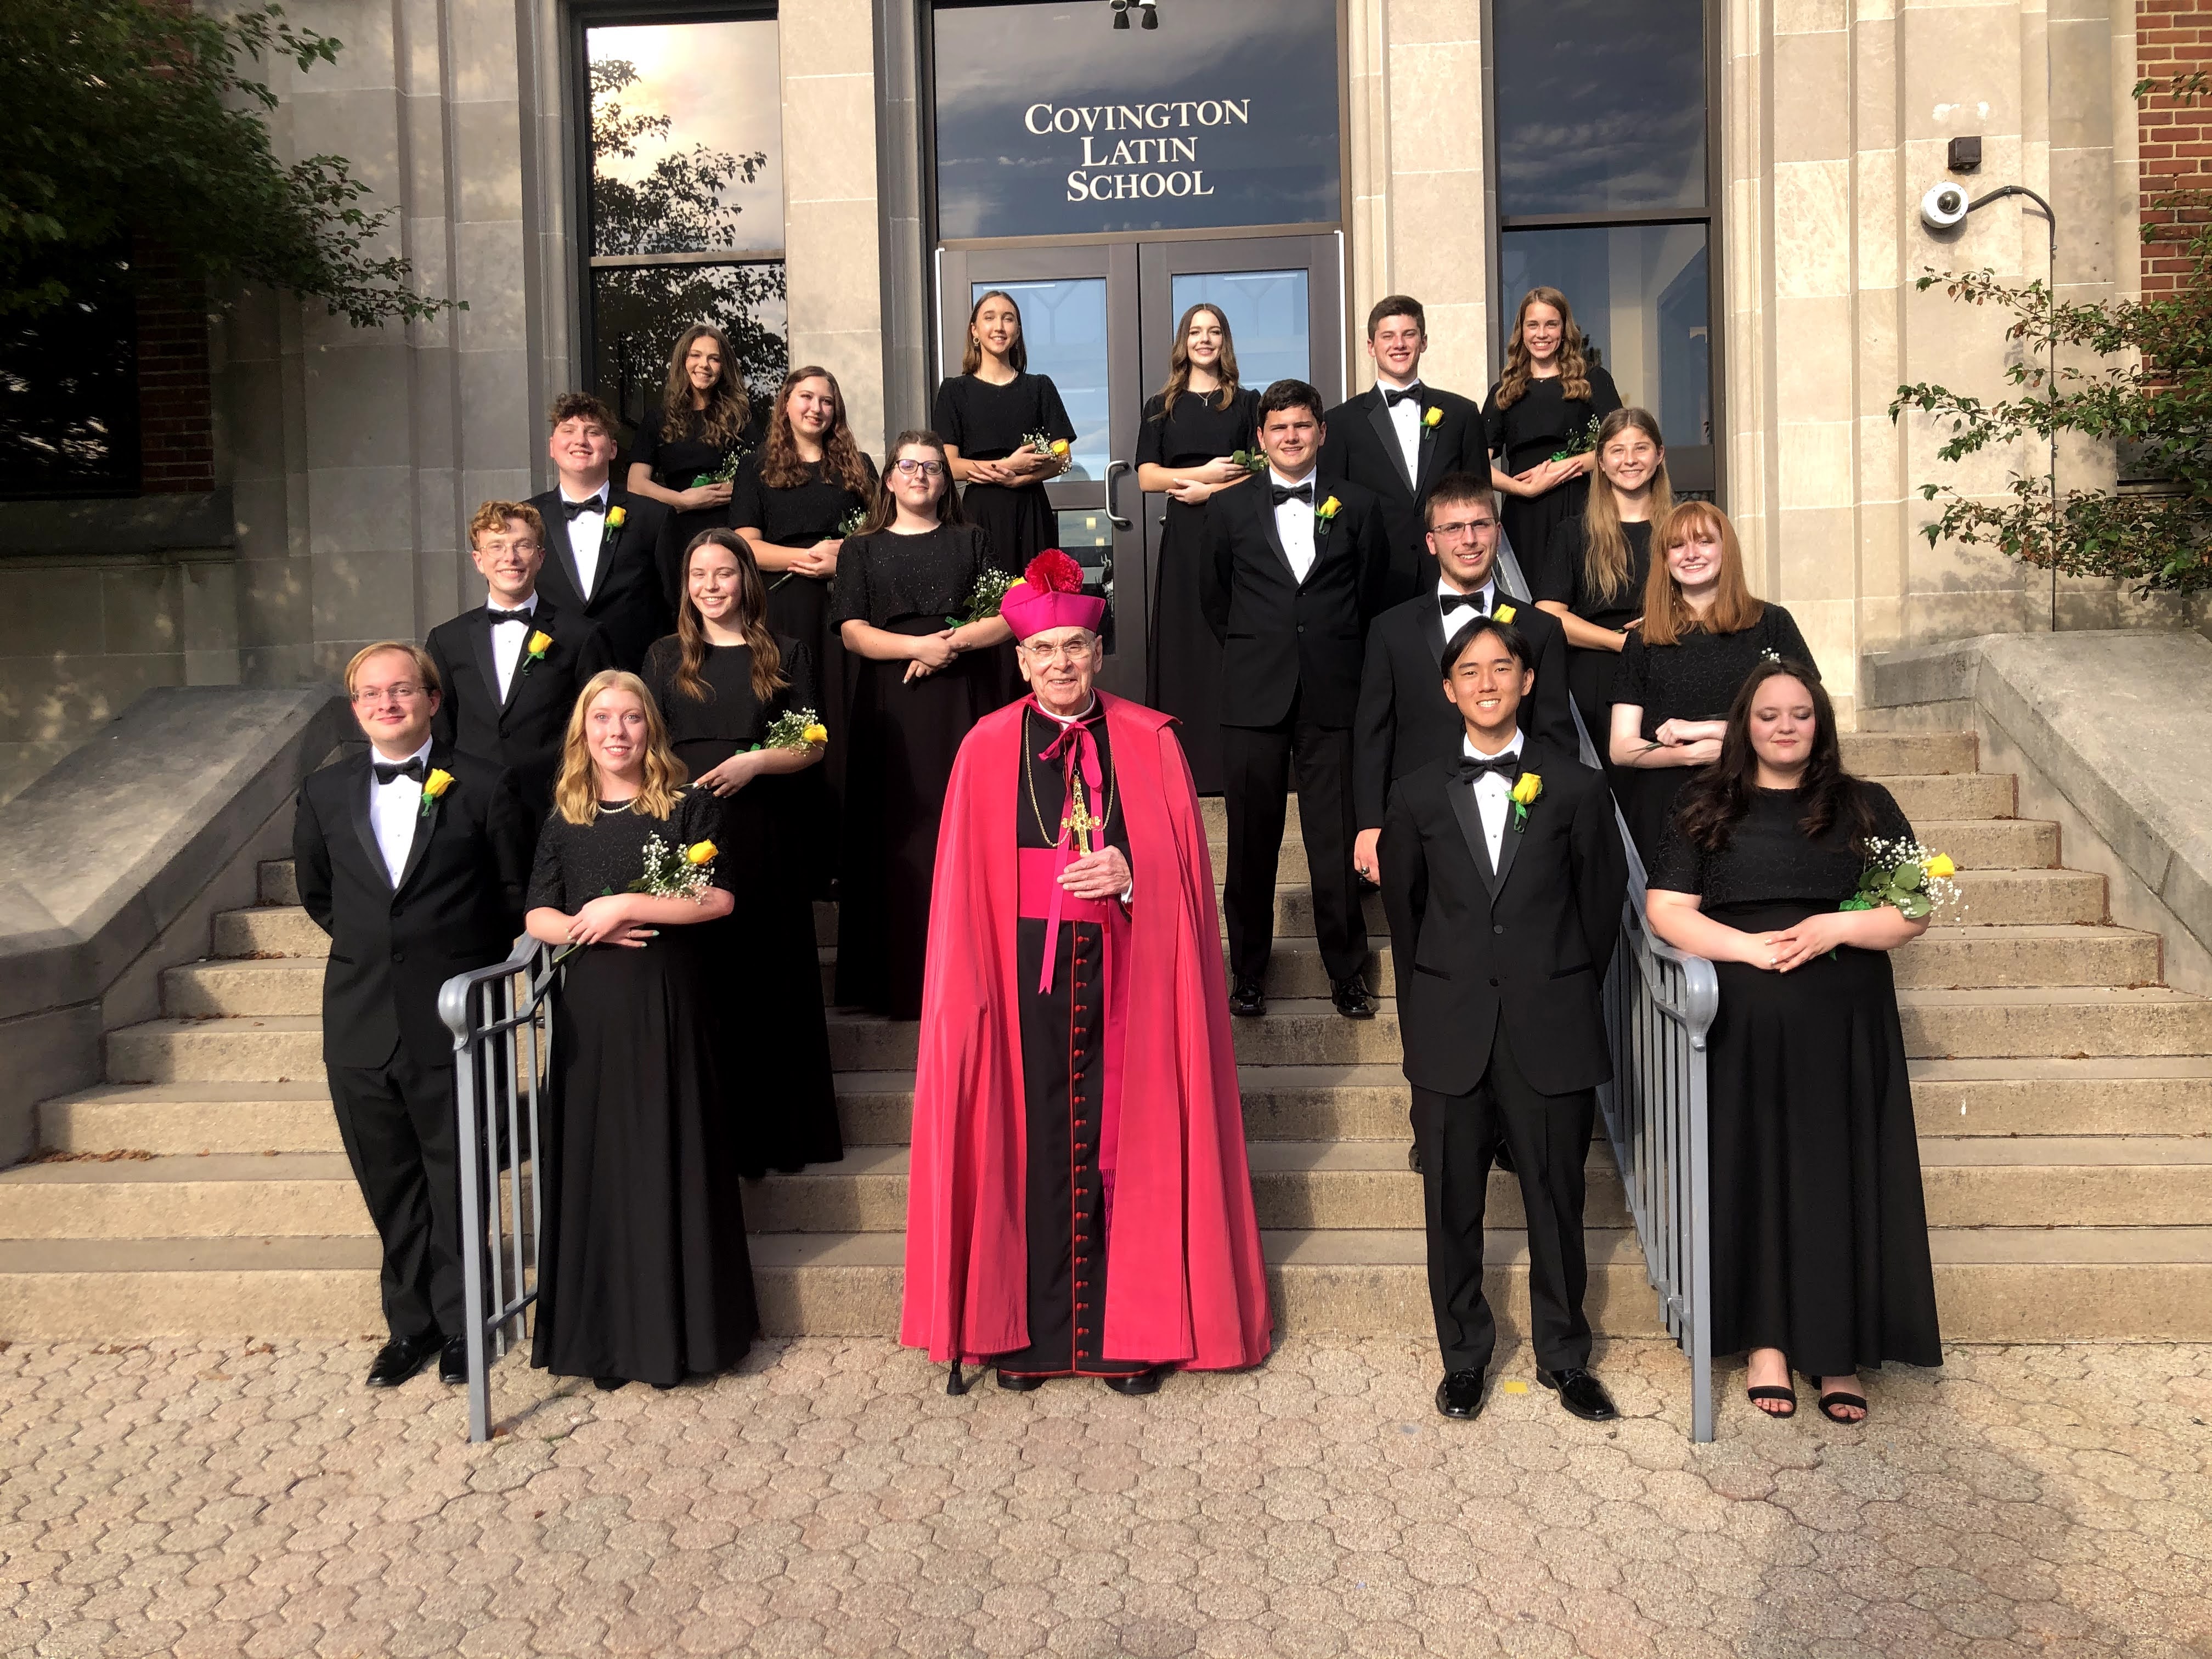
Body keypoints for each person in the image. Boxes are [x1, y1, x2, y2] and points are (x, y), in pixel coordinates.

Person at [901, 556, 1272, 1394]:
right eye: (1046, 652)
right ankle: (1028, 1340)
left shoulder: (1150, 740)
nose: (1062, 664)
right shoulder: (986, 746)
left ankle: (1129, 1336)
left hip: (1127, 977)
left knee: (1128, 1148)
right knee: (1028, 1151)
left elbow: (1185, 881)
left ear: (1099, 653)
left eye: (1077, 647)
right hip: (1019, 984)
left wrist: (1130, 874)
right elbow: (965, 894)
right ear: (1022, 662)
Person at [1645, 662, 1943, 1424]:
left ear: (1820, 724)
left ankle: (1835, 1353)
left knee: (1835, 1177)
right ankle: (1766, 1345)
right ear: (1746, 722)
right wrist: (1750, 951)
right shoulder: (1706, 801)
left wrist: (1837, 925)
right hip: (1745, 1022)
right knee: (1759, 1174)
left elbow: (1914, 913)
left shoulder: (1867, 804)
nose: (1785, 727)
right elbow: (1668, 910)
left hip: (1845, 1027)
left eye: (1800, 715)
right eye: (1770, 715)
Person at [1379, 617, 1627, 1425]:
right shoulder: (1415, 794)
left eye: (1502, 668)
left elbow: (1600, 910)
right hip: (1451, 1030)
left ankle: (1563, 1355)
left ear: (1526, 680)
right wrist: (1428, 1017)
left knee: (1557, 1200)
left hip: (1547, 1026)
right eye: (1470, 672)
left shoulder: (1580, 789)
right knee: (1451, 1205)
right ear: (1448, 691)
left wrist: (1551, 981)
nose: (1487, 682)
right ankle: (1464, 1355)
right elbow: (1408, 919)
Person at [292, 642, 532, 1390]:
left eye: (402, 690)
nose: (386, 703)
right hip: (361, 1022)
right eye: (371, 693)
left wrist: (454, 964)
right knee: (388, 1182)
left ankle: (467, 1325)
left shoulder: (485, 786)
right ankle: (411, 1326)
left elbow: (512, 894)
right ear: (356, 706)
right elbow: (321, 895)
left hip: (454, 1019)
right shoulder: (325, 793)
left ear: (432, 699)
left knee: (458, 1178)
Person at [524, 670, 758, 1390]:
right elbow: (537, 914)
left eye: (630, 718)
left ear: (649, 728)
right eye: (602, 720)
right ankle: (607, 1342)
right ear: (582, 732)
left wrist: (625, 903)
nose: (616, 732)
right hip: (590, 1013)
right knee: (599, 1163)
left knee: (669, 1154)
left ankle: (681, 1339)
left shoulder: (685, 805)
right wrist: (579, 927)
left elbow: (716, 900)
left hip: (667, 1002)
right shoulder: (565, 813)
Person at [644, 531, 842, 1176]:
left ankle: (777, 1137)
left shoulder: (786, 653)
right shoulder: (664, 656)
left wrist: (755, 761)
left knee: (768, 977)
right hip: (687, 828)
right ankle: (711, 1141)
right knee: (705, 982)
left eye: (723, 573)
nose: (710, 585)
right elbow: (644, 746)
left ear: (746, 580)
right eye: (698, 573)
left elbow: (813, 743)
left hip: (764, 831)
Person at [1202, 378, 1389, 1020]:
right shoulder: (1226, 511)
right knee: (1252, 842)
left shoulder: (1359, 507)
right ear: (1261, 438)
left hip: (1334, 693)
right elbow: (1215, 601)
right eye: (1279, 427)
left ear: (1321, 432)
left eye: (1302, 426)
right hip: (1253, 695)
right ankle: (1249, 972)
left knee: (1335, 843)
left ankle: (1347, 973)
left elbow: (1370, 597)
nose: (1291, 436)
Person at [832, 430, 1016, 1018]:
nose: (919, 476)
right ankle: (898, 981)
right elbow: (853, 632)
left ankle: (969, 976)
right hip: (891, 703)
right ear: (888, 479)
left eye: (933, 468)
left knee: (959, 826)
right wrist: (912, 646)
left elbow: (1009, 615)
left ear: (946, 481)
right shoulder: (861, 548)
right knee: (898, 833)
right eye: (908, 466)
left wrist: (947, 645)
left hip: (961, 698)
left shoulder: (972, 540)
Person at [1352, 475, 1576, 891]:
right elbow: (1373, 735)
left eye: (1480, 525)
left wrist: (1557, 820)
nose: (1468, 539)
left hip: (1517, 825)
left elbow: (1555, 735)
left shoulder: (1541, 630)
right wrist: (1369, 824)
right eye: (1453, 528)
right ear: (1432, 541)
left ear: (1498, 532)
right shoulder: (1391, 629)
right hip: (1417, 824)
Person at [731, 366, 877, 891]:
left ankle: (845, 853)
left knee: (842, 715)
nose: (817, 408)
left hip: (845, 606)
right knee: (795, 718)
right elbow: (745, 545)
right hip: (785, 607)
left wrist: (845, 559)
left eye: (828, 401)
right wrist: (806, 557)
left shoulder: (857, 466)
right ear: (786, 405)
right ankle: (801, 854)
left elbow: (881, 534)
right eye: (807, 398)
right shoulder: (758, 468)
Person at [1609, 501, 1815, 859]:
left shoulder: (1772, 624)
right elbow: (1621, 747)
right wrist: (1689, 755)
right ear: (1665, 558)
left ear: (1726, 549)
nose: (1690, 554)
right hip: (1668, 807)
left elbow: (1808, 724)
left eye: (1704, 541)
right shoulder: (1644, 640)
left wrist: (1709, 732)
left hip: (1757, 796)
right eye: (1677, 545)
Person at [1134, 303, 1261, 794]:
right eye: (1195, 332)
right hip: (1184, 533)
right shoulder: (1160, 406)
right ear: (1183, 342)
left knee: (1227, 635)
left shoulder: (1246, 402)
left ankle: (1233, 757)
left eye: (1213, 332)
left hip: (1235, 528)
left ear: (1224, 341)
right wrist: (1198, 475)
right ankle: (1182, 764)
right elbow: (1147, 476)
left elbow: (1261, 467)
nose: (1204, 340)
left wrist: (1212, 487)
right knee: (1186, 637)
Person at [426, 500, 616, 828]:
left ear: (541, 557)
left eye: (522, 546)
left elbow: (598, 721)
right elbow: (440, 729)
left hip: (557, 805)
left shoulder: (581, 635)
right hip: (472, 808)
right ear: (479, 561)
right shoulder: (446, 640)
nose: (509, 558)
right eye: (496, 547)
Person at [1320, 295, 1486, 607]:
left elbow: (1480, 499)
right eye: (1388, 336)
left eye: (1409, 334)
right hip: (1374, 582)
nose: (1399, 344)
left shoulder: (1461, 414)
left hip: (1450, 575)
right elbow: (1335, 507)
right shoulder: (1340, 422)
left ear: (1423, 342)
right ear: (1371, 346)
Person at [1533, 408, 1673, 774]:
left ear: (1660, 456)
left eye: (1641, 449)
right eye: (1617, 450)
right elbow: (1549, 616)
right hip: (1594, 681)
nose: (1630, 460)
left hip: (1667, 671)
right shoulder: (1573, 533)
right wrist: (1621, 643)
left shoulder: (1681, 531)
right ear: (1601, 461)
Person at [1481, 287, 1622, 578]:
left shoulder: (1593, 380)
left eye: (1551, 324)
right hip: (1524, 515)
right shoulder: (1504, 393)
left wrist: (1562, 468)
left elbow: (1620, 448)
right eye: (1533, 325)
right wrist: (1522, 488)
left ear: (1564, 329)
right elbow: (1475, 464)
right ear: (1521, 331)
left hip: (1581, 507)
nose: (1541, 334)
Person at [529, 392, 674, 672]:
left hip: (635, 677)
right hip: (552, 681)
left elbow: (673, 607)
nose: (580, 440)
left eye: (593, 432)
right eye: (568, 431)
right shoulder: (526, 520)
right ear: (552, 447)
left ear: (613, 449)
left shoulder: (653, 517)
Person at [933, 289, 1075, 571]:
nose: (999, 326)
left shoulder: (1039, 387)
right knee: (984, 603)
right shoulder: (954, 391)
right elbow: (948, 465)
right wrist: (1007, 467)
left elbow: (1063, 458)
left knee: (1037, 605)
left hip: (1031, 510)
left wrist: (1021, 480)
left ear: (1017, 331)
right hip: (979, 510)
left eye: (1008, 319)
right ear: (975, 330)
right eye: (990, 318)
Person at [624, 325, 759, 597]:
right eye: (696, 356)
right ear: (683, 361)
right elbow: (636, 484)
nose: (704, 365)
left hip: (731, 526)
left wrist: (739, 488)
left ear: (724, 367)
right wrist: (685, 501)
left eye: (714, 358)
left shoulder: (743, 416)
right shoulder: (658, 418)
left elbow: (764, 471)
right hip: (677, 529)